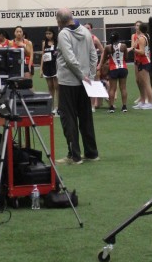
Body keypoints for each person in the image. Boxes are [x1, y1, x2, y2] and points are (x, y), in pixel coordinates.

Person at [55, 8, 99, 164]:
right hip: (85, 82)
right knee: (86, 117)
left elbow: (70, 59)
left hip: (68, 82)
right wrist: (90, 77)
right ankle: (91, 153)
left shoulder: (63, 34)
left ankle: (74, 156)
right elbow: (94, 56)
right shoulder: (86, 32)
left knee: (68, 118)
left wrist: (82, 76)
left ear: (59, 21)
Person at [131, 21, 152, 110]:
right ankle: (143, 101)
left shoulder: (142, 38)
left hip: (144, 61)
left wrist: (134, 50)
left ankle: (151, 103)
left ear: (140, 29)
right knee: (141, 82)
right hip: (141, 61)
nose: (136, 27)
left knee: (146, 83)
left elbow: (142, 52)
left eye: (138, 26)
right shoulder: (141, 37)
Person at [104, 33, 129, 113]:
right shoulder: (124, 46)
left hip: (113, 69)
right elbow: (126, 58)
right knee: (123, 88)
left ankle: (111, 107)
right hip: (123, 68)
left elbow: (104, 58)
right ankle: (124, 107)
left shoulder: (108, 47)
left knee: (112, 89)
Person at [40, 28, 58, 114]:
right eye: (46, 33)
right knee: (50, 87)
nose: (48, 35)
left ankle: (57, 107)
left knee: (57, 87)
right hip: (47, 67)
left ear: (53, 34)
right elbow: (43, 56)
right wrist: (41, 69)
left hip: (55, 66)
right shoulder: (44, 43)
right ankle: (51, 107)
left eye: (50, 33)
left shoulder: (57, 42)